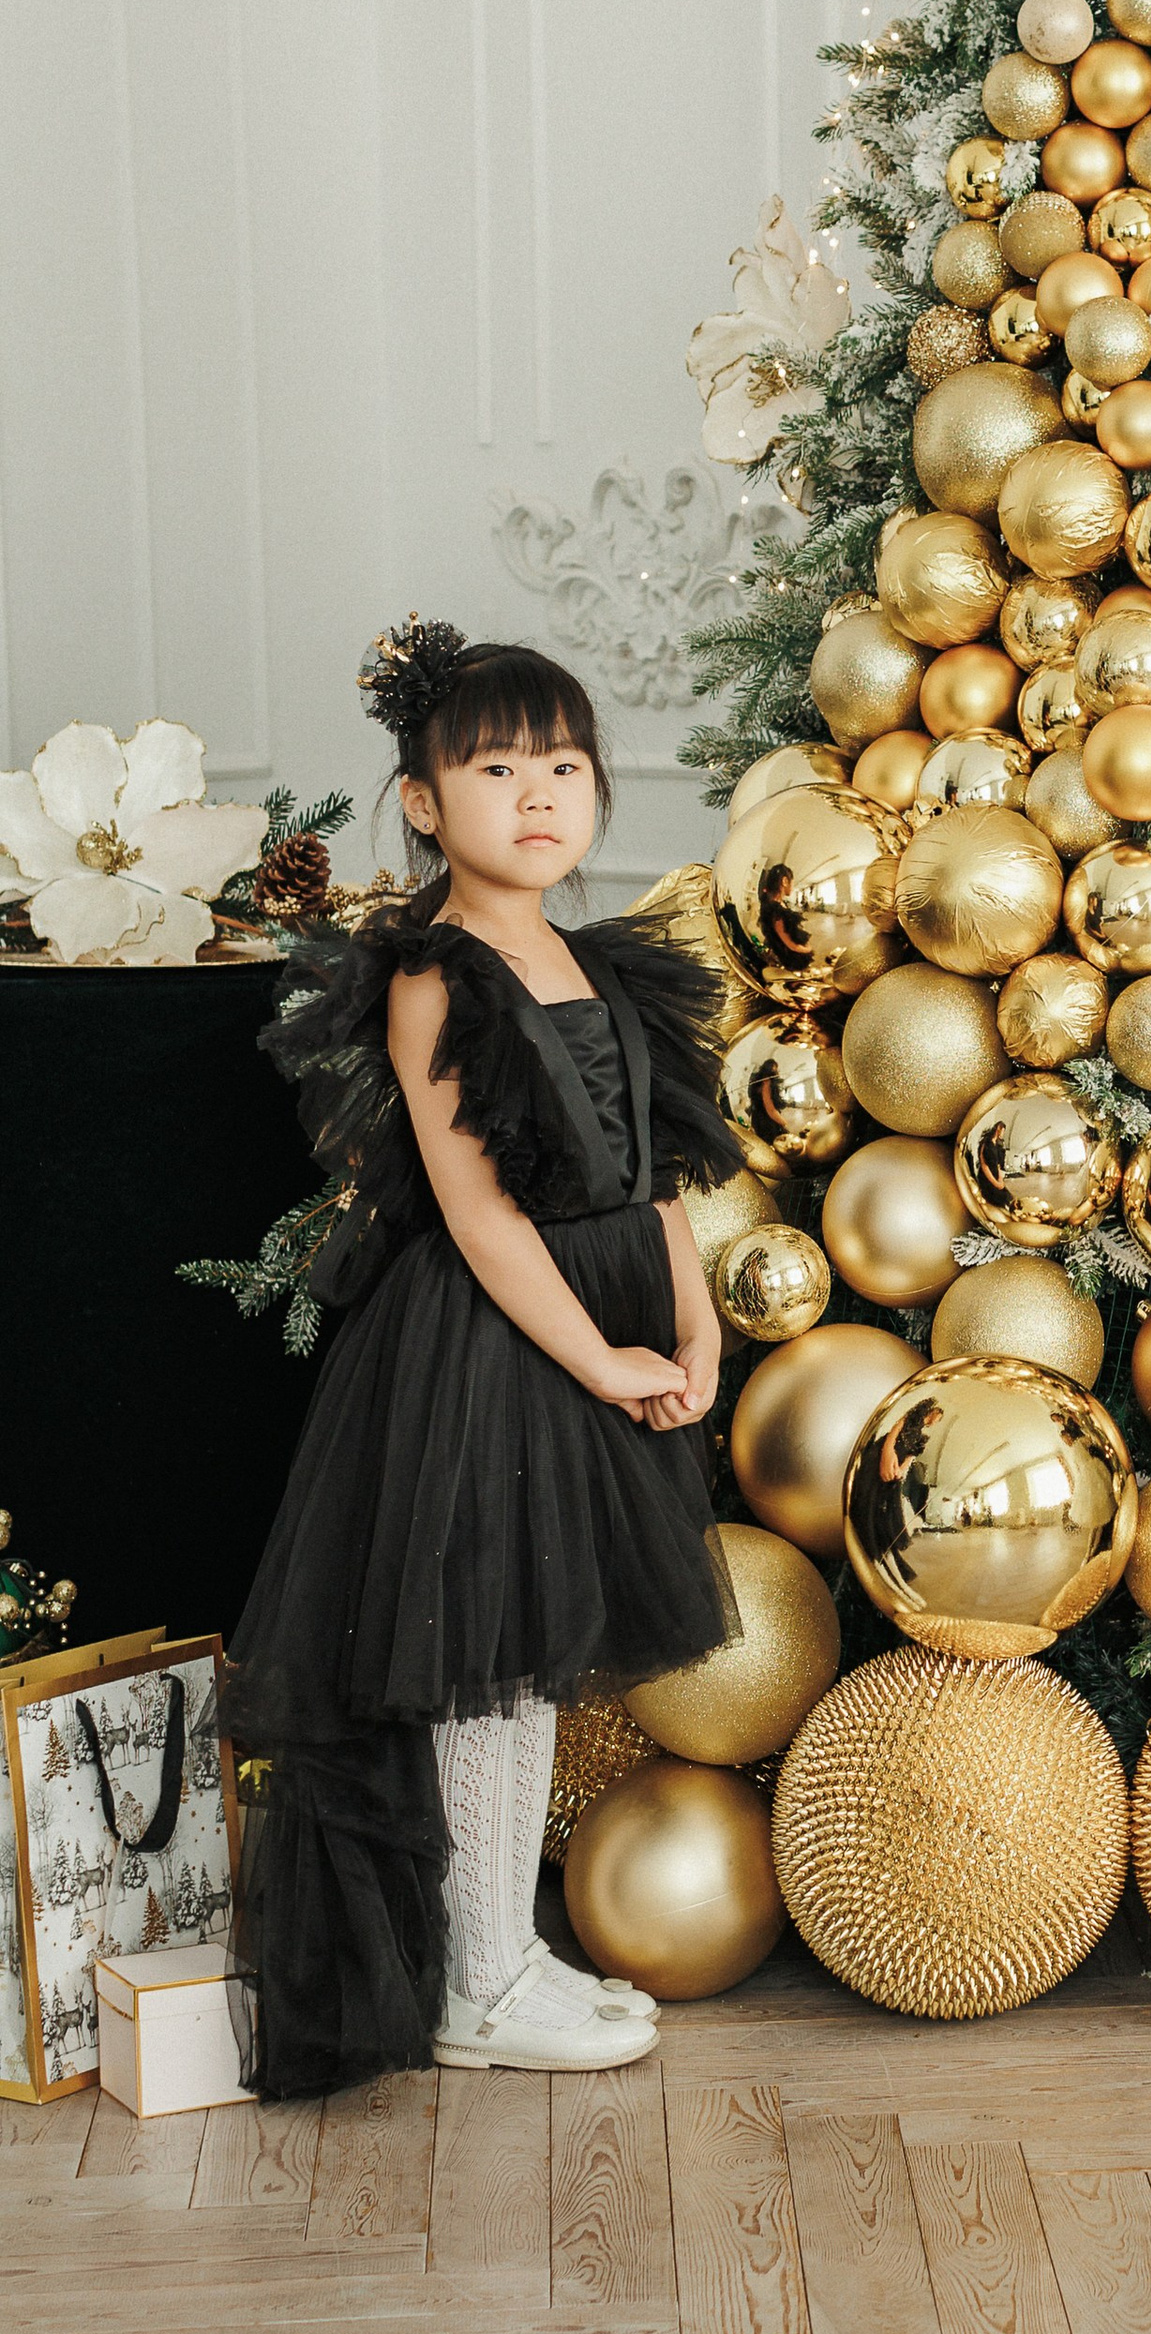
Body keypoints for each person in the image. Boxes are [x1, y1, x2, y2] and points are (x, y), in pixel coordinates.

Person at [222, 622, 741, 2098]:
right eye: (493, 764)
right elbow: (484, 1219)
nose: (537, 794)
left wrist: (692, 1325)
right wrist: (601, 1361)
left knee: (534, 1672)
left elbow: (654, 1181)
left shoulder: (596, 959)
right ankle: (479, 1976)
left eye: (563, 764)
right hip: (495, 1349)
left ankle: (501, 1952)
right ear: (423, 800)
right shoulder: (434, 977)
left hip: (608, 1328)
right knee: (485, 1677)